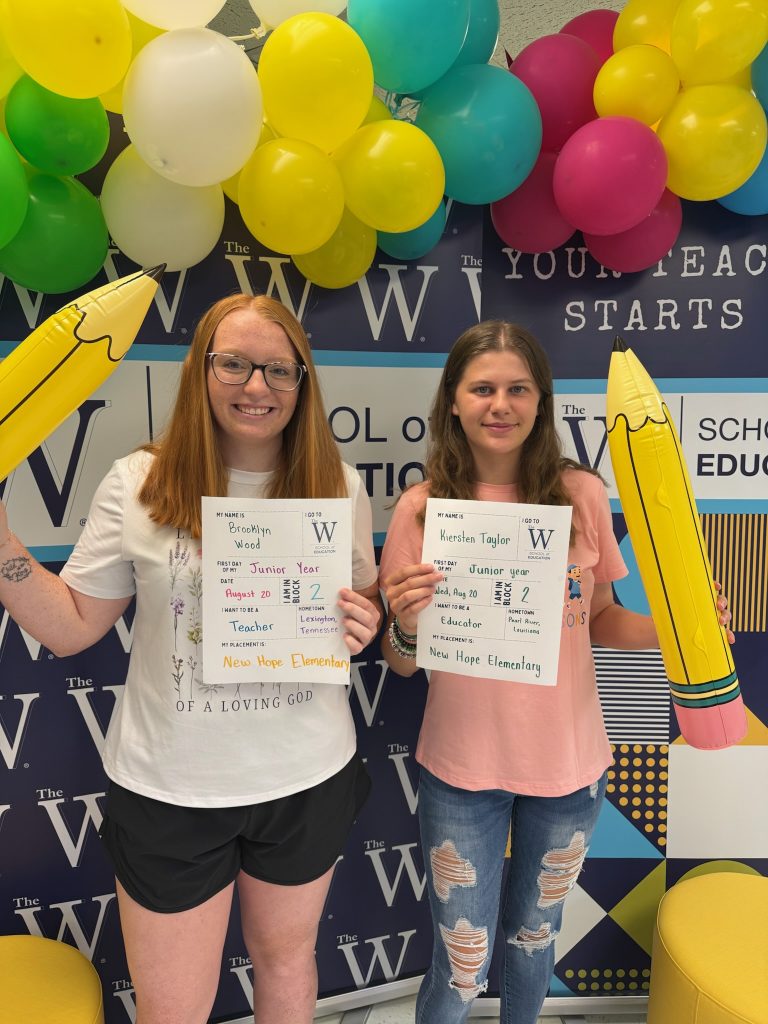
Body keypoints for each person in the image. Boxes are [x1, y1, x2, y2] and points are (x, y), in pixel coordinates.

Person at [0, 293, 383, 1024]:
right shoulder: (138, 482)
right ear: (200, 370)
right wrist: (2, 547)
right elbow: (72, 626)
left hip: (307, 777)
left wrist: (367, 619)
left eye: (278, 369)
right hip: (171, 789)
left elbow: (359, 598)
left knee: (288, 964)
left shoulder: (338, 483)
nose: (256, 386)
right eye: (234, 364)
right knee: (173, 1008)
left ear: (302, 382)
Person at [378, 320, 733, 1024]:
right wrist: (407, 624)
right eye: (482, 388)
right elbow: (401, 659)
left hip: (568, 767)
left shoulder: (581, 495)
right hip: (462, 768)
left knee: (534, 940)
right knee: (462, 961)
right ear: (453, 401)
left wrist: (676, 630)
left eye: (517, 389)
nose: (499, 404)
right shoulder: (421, 510)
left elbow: (600, 616)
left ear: (541, 401)